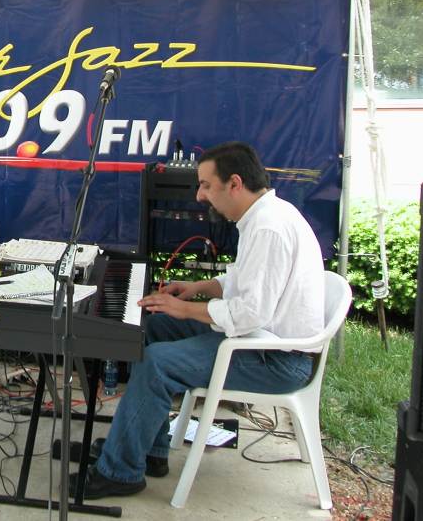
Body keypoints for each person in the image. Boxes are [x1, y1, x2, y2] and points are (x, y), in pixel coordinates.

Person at [71, 141, 325, 499]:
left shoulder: (268, 227)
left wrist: (187, 309)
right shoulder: (262, 216)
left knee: (158, 363)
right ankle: (147, 450)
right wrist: (197, 288)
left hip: (278, 360)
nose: (200, 195)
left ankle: (120, 472)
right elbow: (242, 283)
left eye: (206, 185)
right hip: (259, 340)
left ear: (234, 183)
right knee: (151, 327)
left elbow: (251, 312)